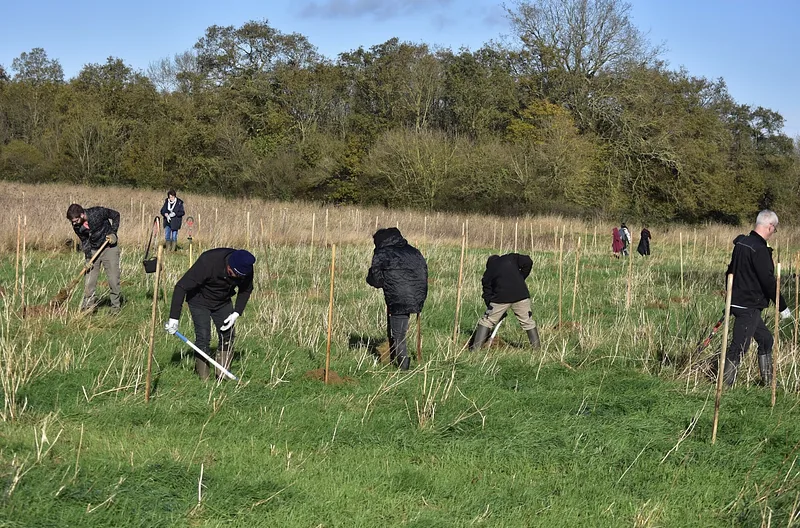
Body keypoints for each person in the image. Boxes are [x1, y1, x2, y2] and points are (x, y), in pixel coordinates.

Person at [164, 248, 256, 380]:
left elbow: (246, 290)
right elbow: (181, 287)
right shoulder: (209, 261)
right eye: (234, 274)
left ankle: (222, 375)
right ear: (229, 264)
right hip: (199, 300)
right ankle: (204, 379)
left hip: (223, 301)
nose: (236, 277)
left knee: (228, 335)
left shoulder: (246, 269)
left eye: (240, 276)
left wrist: (236, 312)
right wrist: (174, 318)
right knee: (203, 336)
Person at [722, 210, 789, 386]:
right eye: (774, 230)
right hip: (748, 305)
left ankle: (768, 382)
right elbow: (768, 281)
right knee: (739, 346)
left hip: (737, 300)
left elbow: (730, 271)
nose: (774, 233)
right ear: (770, 227)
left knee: (766, 339)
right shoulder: (759, 250)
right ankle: (726, 386)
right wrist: (782, 307)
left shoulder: (742, 243)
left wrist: (730, 296)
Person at [366, 227, 428, 370]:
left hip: (397, 296)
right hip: (418, 295)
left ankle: (403, 365)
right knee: (400, 326)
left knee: (398, 333)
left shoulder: (381, 253)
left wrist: (374, 279)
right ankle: (396, 356)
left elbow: (376, 279)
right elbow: (424, 272)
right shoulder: (414, 251)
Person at [470, 253, 540, 350]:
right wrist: (521, 277)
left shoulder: (488, 273)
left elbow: (487, 294)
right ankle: (537, 350)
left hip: (501, 298)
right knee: (528, 322)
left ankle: (475, 349)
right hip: (521, 294)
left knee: (487, 321)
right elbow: (528, 261)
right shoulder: (511, 258)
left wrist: (494, 311)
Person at [66, 203, 121, 313]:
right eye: (72, 221)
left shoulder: (97, 212)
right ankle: (88, 309)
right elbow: (85, 240)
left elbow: (116, 215)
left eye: (75, 220)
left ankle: (115, 308)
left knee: (113, 280)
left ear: (82, 215)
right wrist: (88, 258)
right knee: (89, 282)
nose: (73, 223)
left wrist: (113, 233)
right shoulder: (76, 225)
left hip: (109, 247)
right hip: (93, 250)